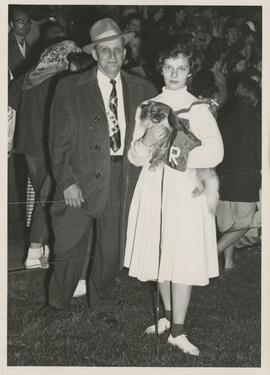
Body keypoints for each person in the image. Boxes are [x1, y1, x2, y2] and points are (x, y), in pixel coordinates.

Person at [44, 18, 157, 315]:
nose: (112, 57)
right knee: (68, 244)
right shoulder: (70, 87)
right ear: (93, 54)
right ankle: (57, 302)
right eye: (104, 51)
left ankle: (103, 303)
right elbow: (58, 141)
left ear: (125, 52)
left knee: (112, 246)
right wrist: (67, 181)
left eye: (117, 50)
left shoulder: (143, 88)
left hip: (122, 176)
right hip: (79, 176)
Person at [124, 41, 224, 356]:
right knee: (160, 254)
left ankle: (179, 332)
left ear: (190, 71)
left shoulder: (199, 108)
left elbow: (216, 151)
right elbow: (134, 156)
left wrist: (175, 154)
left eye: (181, 68)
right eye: (169, 67)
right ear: (161, 68)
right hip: (154, 188)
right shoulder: (148, 105)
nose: (174, 74)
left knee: (182, 256)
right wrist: (144, 140)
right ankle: (167, 319)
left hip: (186, 191)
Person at [13, 40, 82, 270]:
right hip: (49, 146)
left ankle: (39, 250)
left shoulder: (31, 75)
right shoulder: (59, 79)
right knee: (49, 196)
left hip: (26, 145)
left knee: (45, 195)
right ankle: (37, 251)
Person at [216, 78, 261, 271]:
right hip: (246, 182)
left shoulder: (223, 119)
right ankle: (211, 254)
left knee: (227, 225)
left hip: (223, 180)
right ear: (256, 98)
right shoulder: (259, 122)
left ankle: (228, 263)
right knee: (243, 224)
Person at [8, 5, 32, 79]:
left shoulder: (29, 47)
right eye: (20, 22)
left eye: (28, 21)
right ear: (12, 24)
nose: (25, 25)